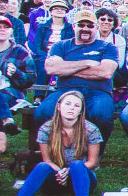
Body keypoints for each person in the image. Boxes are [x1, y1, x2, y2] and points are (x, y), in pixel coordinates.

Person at [0, 90, 103, 196]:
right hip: (56, 178)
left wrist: (69, 170)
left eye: (76, 106)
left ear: (81, 111)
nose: (71, 108)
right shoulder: (46, 129)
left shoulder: (90, 129)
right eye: (68, 104)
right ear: (59, 106)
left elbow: (93, 162)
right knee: (42, 166)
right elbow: (47, 160)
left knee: (77, 164)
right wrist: (61, 172)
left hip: (82, 178)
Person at [32, 9, 118, 138]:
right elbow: (52, 69)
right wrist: (87, 63)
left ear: (96, 27)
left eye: (90, 26)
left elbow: (105, 72)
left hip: (97, 92)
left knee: (102, 115)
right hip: (65, 91)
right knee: (42, 113)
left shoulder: (108, 47)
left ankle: (94, 154)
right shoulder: (60, 46)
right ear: (73, 26)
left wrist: (67, 70)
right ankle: (54, 151)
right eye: (81, 25)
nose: (85, 29)